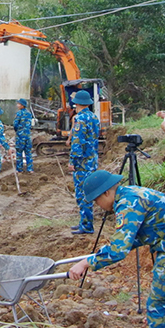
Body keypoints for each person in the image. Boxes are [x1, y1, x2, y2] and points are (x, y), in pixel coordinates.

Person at [68, 170, 165, 328]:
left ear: (106, 193)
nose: (98, 205)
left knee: (160, 301)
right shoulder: (129, 194)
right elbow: (134, 237)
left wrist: (86, 263)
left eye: (97, 200)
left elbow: (119, 250)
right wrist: (98, 255)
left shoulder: (128, 203)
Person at [68, 90, 100, 234]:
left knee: (82, 194)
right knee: (87, 192)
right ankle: (84, 222)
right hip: (92, 160)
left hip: (82, 163)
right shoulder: (94, 117)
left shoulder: (79, 119)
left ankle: (87, 226)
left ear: (77, 103)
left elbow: (77, 143)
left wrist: (72, 161)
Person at [13, 98, 34, 173]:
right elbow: (30, 124)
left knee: (19, 153)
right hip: (28, 135)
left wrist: (17, 131)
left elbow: (15, 124)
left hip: (20, 136)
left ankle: (19, 169)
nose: (17, 105)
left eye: (18, 104)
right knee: (28, 152)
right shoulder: (29, 113)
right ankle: (30, 169)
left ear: (22, 105)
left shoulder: (19, 113)